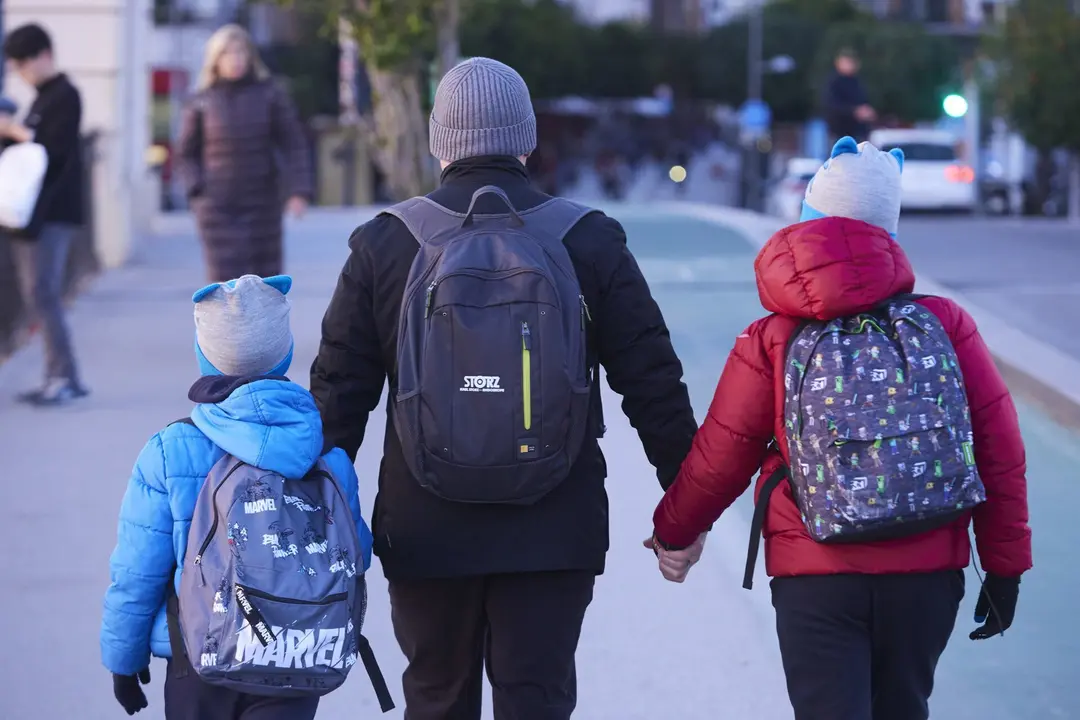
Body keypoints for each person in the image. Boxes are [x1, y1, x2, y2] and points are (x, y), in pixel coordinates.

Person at [310, 57, 697, 720]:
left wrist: (317, 518)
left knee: (435, 699)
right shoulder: (588, 239)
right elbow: (653, 380)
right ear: (527, 137)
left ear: (439, 142)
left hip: (424, 527)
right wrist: (685, 512)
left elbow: (338, 395)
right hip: (553, 528)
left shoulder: (387, 244)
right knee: (537, 700)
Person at [649, 138, 1032, 720]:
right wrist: (1005, 568)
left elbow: (721, 452)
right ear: (889, 232)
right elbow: (999, 452)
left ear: (807, 221)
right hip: (927, 574)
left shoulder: (773, 337)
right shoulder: (946, 324)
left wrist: (675, 533)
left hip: (815, 576)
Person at [100, 275, 374, 719]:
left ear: (203, 355)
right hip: (294, 651)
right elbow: (354, 553)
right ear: (284, 353)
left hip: (197, 651)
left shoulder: (172, 451)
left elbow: (137, 571)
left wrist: (123, 660)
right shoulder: (325, 456)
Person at [177, 24, 312, 283]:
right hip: (217, 209)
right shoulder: (202, 100)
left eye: (241, 52)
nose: (235, 59)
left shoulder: (270, 95)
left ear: (251, 57)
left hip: (263, 207)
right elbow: (185, 153)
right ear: (216, 60)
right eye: (227, 53)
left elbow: (293, 142)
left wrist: (299, 191)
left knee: (264, 287)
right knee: (225, 292)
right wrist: (198, 190)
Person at [1, 23, 88, 406]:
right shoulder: (41, 98)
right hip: (32, 214)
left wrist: (15, 132)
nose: (21, 72)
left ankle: (63, 376)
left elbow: (53, 151)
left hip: (53, 211)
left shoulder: (65, 96)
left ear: (43, 55)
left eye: (23, 63)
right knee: (37, 293)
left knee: (43, 292)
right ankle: (58, 373)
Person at [824, 48, 875, 143]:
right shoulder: (834, 82)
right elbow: (832, 105)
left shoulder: (857, 82)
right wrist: (854, 111)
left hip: (858, 132)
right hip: (839, 132)